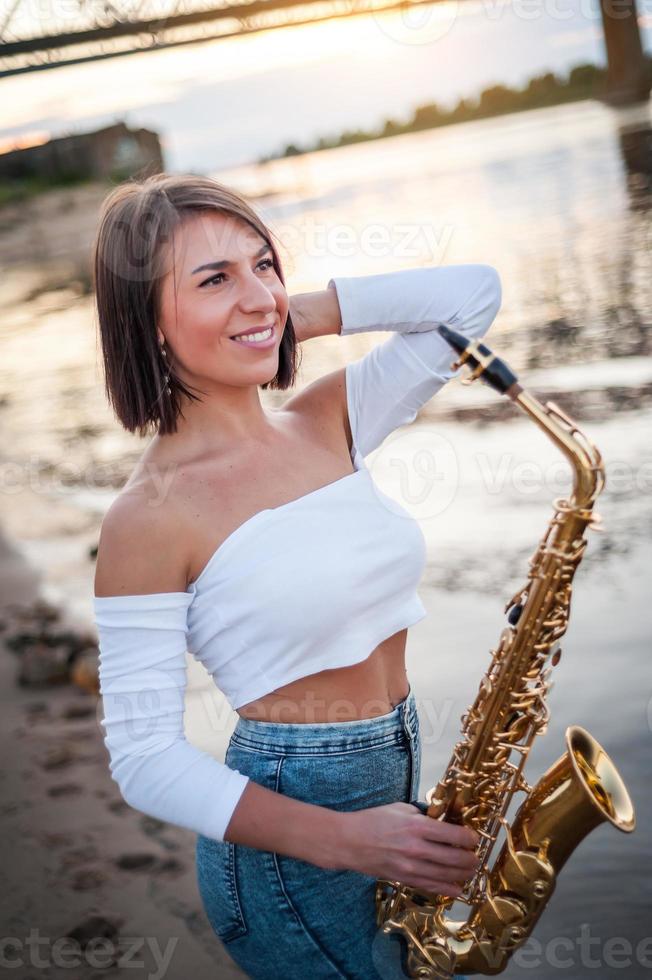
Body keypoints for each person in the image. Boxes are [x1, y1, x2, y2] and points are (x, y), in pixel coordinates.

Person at [91, 171, 502, 980]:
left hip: (394, 777)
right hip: (287, 849)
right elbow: (142, 757)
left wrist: (287, 315)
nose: (257, 293)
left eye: (263, 264)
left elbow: (473, 298)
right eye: (214, 279)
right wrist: (347, 838)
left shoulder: (327, 419)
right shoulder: (146, 516)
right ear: (148, 319)